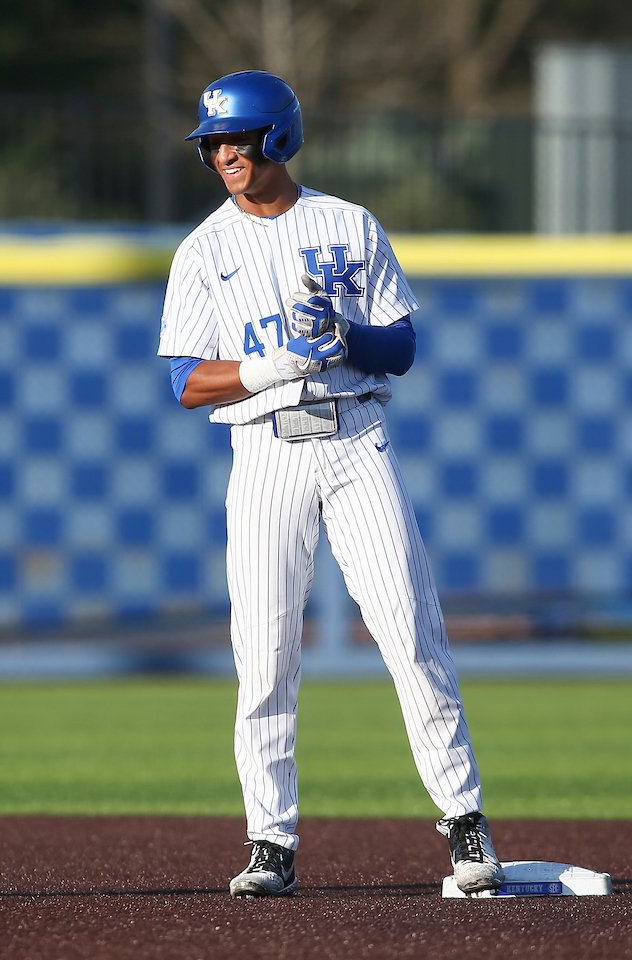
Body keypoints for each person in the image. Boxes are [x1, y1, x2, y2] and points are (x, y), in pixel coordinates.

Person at [158, 71, 503, 898]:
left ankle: (465, 823)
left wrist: (345, 335)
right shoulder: (203, 249)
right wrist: (268, 365)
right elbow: (181, 379)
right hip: (264, 446)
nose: (222, 154)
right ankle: (269, 841)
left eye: (235, 138)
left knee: (410, 630)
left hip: (355, 438)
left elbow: (402, 347)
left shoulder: (348, 224)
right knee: (266, 654)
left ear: (277, 136)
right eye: (212, 142)